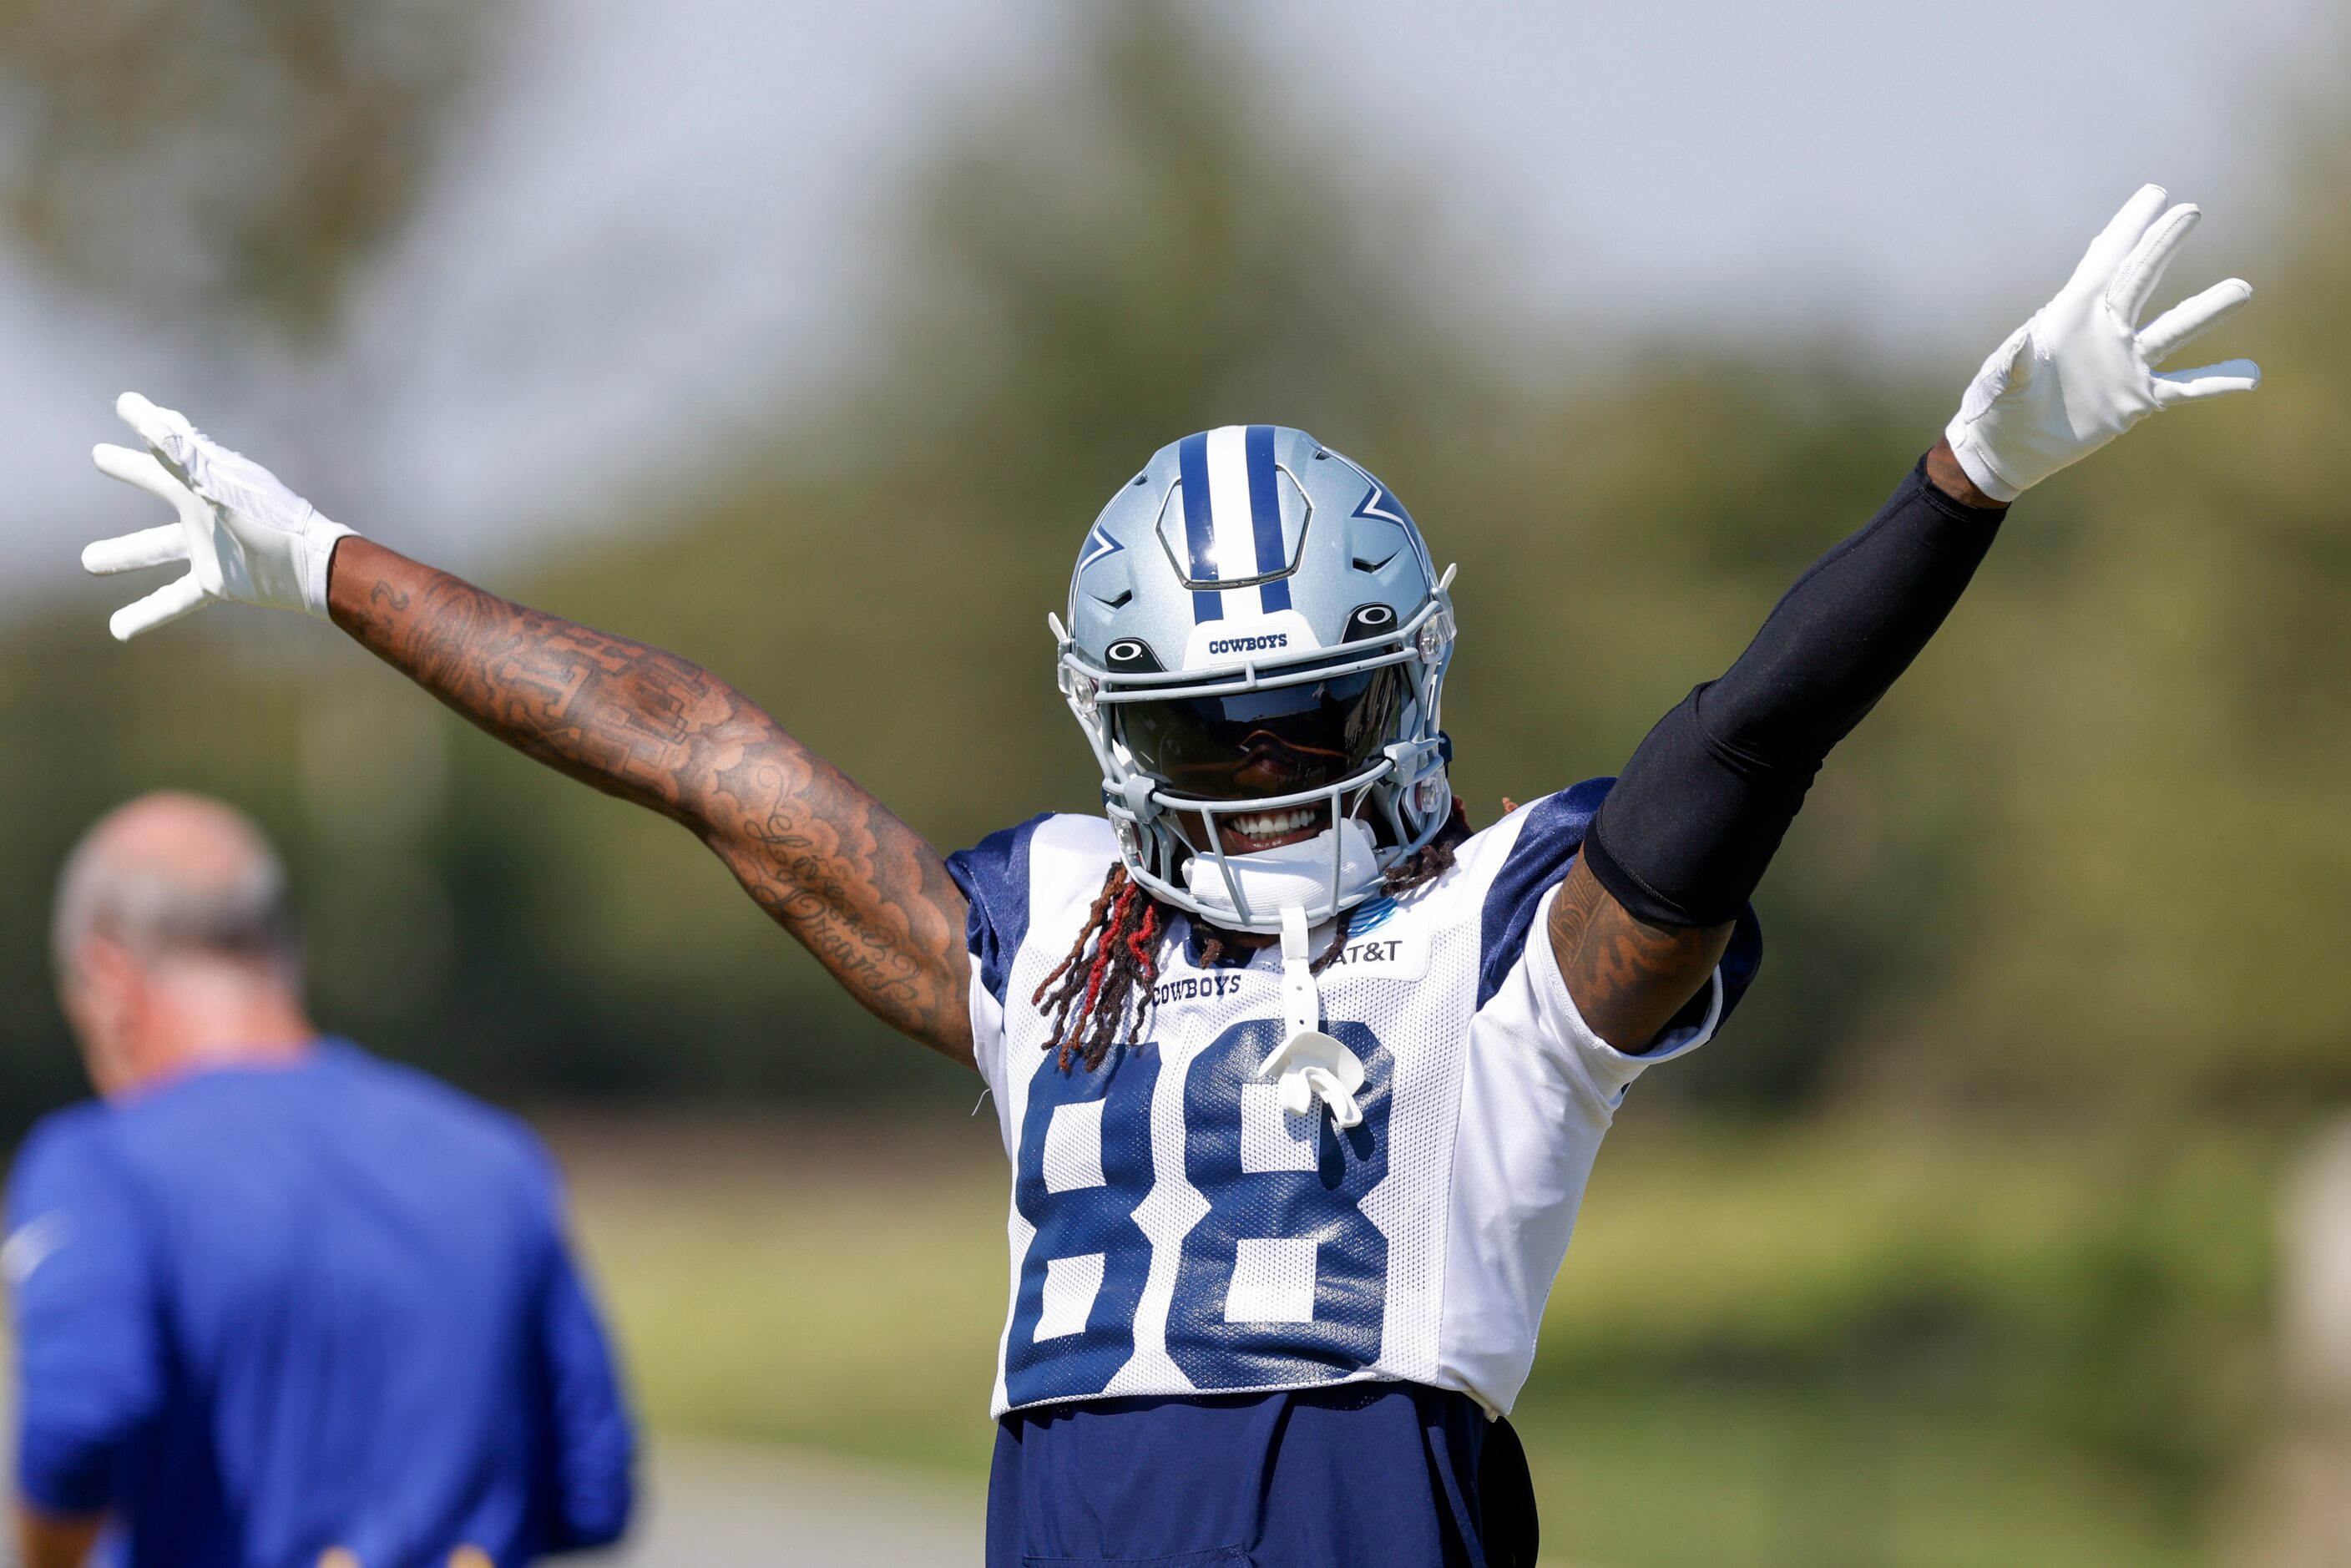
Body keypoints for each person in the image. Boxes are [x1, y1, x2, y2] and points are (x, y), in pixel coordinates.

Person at [76, 185, 2256, 1565]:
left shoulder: (1493, 928)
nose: (1279, 772)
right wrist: (334, 563)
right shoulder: (1050, 928)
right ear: (1123, 725)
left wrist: (1958, 484)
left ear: (1400, 680)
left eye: (1313, 713)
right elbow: (686, 746)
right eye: (1225, 735)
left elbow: (1743, 745)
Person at [8, 793, 635, 1567]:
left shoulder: (100, 1164)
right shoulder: (494, 1157)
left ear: (106, 984)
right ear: (282, 951)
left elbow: (77, 1424)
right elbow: (594, 1491)